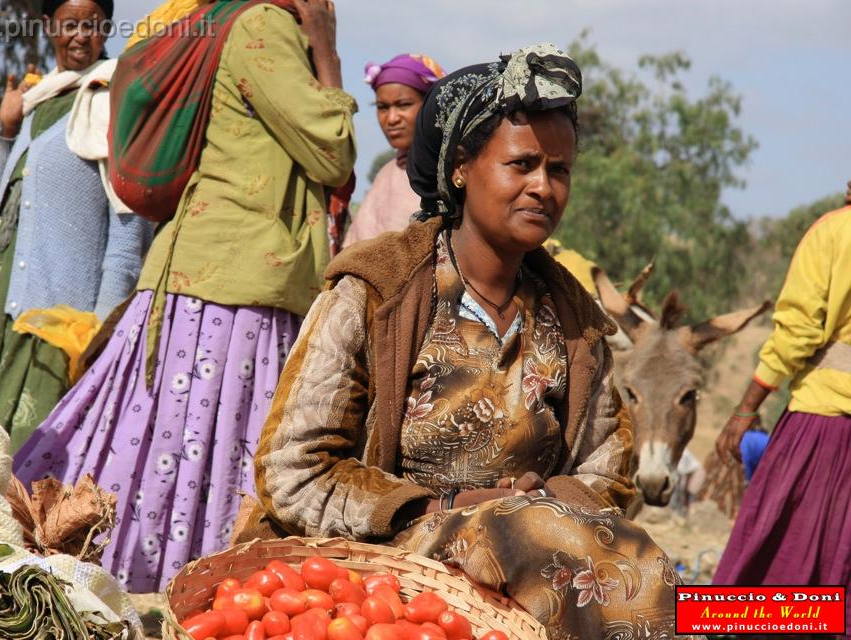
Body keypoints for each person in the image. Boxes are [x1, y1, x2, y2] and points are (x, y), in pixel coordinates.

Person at [244, 44, 680, 638]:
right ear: (459, 167)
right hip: (388, 576)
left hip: (541, 563)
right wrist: (442, 509)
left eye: (559, 170)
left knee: (667, 581)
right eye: (521, 164)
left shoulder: (575, 320)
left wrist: (536, 502)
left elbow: (608, 479)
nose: (543, 188)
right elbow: (292, 469)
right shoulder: (378, 292)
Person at [14, 0, 357, 593]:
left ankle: (128, 588)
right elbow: (334, 150)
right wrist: (326, 50)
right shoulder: (262, 26)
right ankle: (168, 590)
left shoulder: (235, 20)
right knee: (199, 453)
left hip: (211, 281)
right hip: (233, 287)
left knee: (170, 448)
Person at [0, 0, 153, 451]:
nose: (80, 35)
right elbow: (10, 199)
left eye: (92, 25)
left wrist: (99, 331)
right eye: (69, 24)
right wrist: (8, 133)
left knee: (30, 464)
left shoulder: (114, 101)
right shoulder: (40, 101)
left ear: (106, 28)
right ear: (47, 26)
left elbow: (129, 229)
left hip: (57, 324)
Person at [713, 202, 851, 612]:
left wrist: (744, 410)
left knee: (774, 578)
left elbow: (797, 332)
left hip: (824, 424)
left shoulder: (834, 232)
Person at [342, 54, 444, 247]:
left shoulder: (452, 171)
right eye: (382, 107)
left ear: (431, 105)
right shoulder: (386, 175)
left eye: (403, 105)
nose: (391, 119)